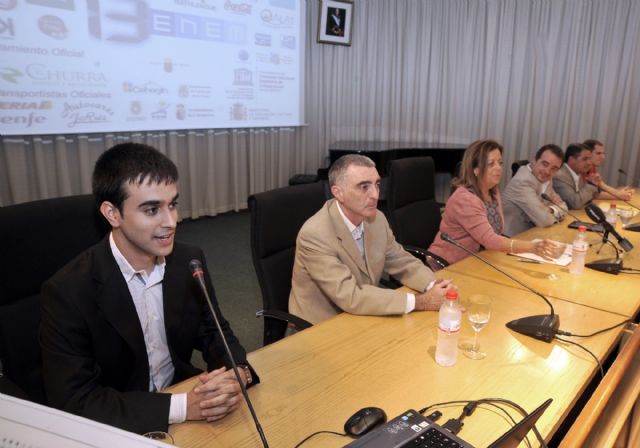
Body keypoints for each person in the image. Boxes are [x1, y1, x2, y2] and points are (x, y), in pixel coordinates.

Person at [40, 143, 257, 434]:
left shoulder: (187, 261)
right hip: (117, 422)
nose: (171, 221)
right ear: (112, 214)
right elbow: (75, 400)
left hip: (183, 393)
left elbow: (215, 331)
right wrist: (182, 407)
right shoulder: (68, 291)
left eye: (173, 204)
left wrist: (237, 373)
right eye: (152, 209)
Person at [288, 154, 453, 325]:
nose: (375, 195)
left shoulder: (377, 219)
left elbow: (401, 261)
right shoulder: (315, 234)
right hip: (322, 325)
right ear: (338, 193)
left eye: (377, 184)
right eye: (364, 187)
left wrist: (434, 285)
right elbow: (350, 296)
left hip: (363, 310)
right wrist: (420, 302)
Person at [428, 139, 564, 265]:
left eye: (500, 163)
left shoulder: (493, 192)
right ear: (476, 169)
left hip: (480, 259)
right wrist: (533, 247)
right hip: (448, 264)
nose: (498, 168)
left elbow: (496, 234)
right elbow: (490, 240)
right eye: (491, 164)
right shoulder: (465, 199)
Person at [502, 144, 568, 236]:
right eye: (545, 164)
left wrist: (550, 209)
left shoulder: (546, 179)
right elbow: (544, 220)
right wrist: (549, 210)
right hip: (511, 238)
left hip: (533, 234)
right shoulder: (522, 182)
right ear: (534, 160)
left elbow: (564, 207)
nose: (547, 171)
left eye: (554, 168)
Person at [552, 143, 599, 209]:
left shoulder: (578, 173)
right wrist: (591, 184)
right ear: (571, 160)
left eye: (590, 159)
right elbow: (574, 203)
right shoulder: (560, 176)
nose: (589, 163)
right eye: (585, 159)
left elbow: (588, 199)